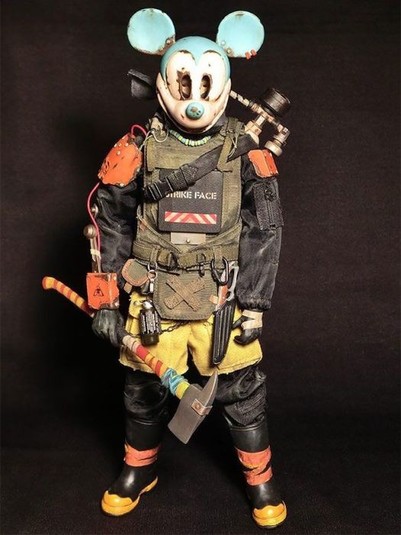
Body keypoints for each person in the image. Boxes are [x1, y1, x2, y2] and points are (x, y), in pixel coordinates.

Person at [90, 8, 289, 529]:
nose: (193, 95)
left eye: (204, 82)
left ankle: (259, 478)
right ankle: (139, 468)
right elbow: (109, 221)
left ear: (224, 85)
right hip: (151, 295)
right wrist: (106, 298)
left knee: (242, 390)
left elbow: (265, 228)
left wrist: (254, 303)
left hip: (221, 297)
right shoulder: (138, 149)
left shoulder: (247, 152)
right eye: (183, 81)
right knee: (143, 389)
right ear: (161, 84)